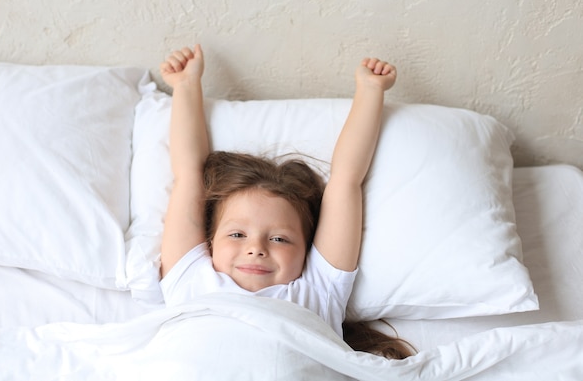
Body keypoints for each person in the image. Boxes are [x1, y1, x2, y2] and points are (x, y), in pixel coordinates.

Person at [159, 44, 413, 359]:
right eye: (237, 234)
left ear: (308, 250)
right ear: (209, 240)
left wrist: (370, 92)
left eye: (279, 238)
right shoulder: (191, 279)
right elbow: (188, 174)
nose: (256, 249)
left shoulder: (319, 289)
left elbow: (346, 181)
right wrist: (185, 86)